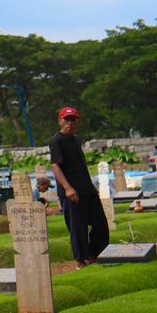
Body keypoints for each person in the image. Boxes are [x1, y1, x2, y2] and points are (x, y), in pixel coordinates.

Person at [49, 106, 108, 267]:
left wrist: (90, 186)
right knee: (78, 227)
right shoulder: (56, 141)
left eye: (72, 120)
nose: (69, 123)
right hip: (71, 191)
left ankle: (94, 254)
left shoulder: (75, 139)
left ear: (77, 121)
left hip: (86, 188)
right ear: (60, 121)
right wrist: (68, 188)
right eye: (66, 120)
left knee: (100, 224)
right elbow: (55, 166)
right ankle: (81, 260)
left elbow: (79, 166)